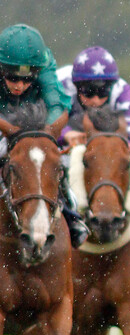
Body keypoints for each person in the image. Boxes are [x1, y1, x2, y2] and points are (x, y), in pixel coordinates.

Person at [56, 46, 130, 259]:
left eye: (102, 92)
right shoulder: (60, 85)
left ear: (110, 88)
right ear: (76, 87)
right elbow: (47, 121)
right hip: (63, 150)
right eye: (88, 92)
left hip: (102, 151)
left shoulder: (121, 89)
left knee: (126, 166)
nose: (95, 100)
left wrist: (107, 143)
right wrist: (66, 134)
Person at [0, 23, 90, 247]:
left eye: (28, 78)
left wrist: (44, 137)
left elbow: (57, 105)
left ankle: (69, 214)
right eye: (12, 78)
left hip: (28, 121)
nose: (20, 85)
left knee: (45, 157)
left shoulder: (44, 62)